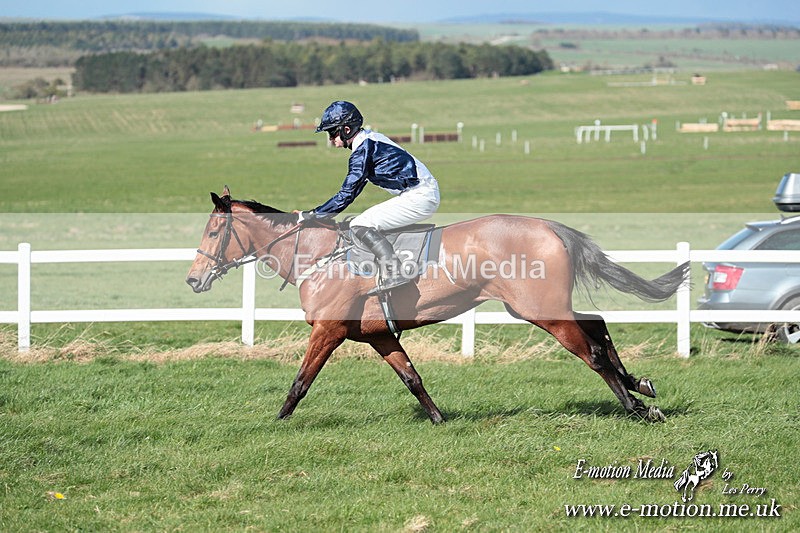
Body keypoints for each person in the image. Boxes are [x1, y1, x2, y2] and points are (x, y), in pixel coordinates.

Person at [296, 100, 440, 292]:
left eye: (332, 132)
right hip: (418, 192)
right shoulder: (369, 141)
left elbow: (347, 194)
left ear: (346, 129)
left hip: (420, 195)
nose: (331, 139)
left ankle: (394, 271)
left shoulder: (363, 151)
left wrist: (313, 215)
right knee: (362, 221)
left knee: (359, 224)